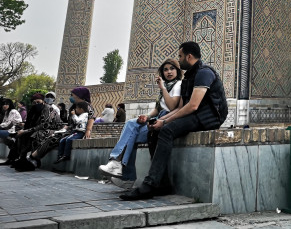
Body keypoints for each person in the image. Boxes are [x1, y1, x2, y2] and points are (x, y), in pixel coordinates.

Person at [120, 42, 227, 200]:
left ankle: (149, 184)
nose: (179, 60)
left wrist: (165, 123)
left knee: (167, 130)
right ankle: (163, 184)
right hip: (195, 114)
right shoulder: (188, 77)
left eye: (180, 56)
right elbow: (181, 108)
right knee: (153, 133)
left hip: (209, 117)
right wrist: (159, 120)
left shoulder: (204, 73)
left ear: (189, 56)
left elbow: (193, 106)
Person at [99, 58, 183, 189]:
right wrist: (147, 116)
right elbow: (158, 108)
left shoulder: (179, 85)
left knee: (131, 134)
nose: (169, 72)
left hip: (168, 119)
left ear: (177, 70)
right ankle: (118, 166)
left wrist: (162, 88)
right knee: (131, 126)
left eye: (172, 69)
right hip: (158, 117)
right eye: (166, 69)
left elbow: (172, 107)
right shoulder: (166, 86)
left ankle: (126, 175)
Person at [25, 86, 94, 169]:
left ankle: (33, 157)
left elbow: (91, 118)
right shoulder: (73, 107)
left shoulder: (86, 106)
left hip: (77, 131)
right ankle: (35, 159)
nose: (71, 97)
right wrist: (64, 128)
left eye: (73, 95)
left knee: (53, 138)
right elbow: (70, 123)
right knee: (40, 134)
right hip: (69, 130)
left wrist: (88, 130)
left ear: (79, 95)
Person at [9, 94, 62, 170]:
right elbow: (31, 123)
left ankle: (34, 160)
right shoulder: (34, 110)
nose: (36, 104)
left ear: (43, 101)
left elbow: (45, 125)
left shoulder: (47, 108)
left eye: (38, 102)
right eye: (34, 102)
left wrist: (25, 131)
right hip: (41, 129)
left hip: (53, 130)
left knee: (37, 134)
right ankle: (21, 158)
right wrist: (23, 128)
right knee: (21, 136)